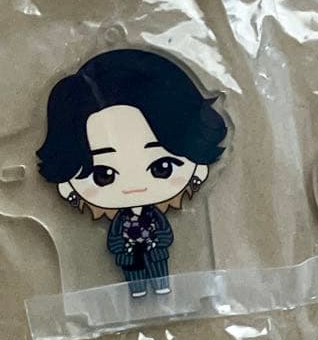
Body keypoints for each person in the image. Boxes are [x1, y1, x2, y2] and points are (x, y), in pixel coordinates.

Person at [37, 49, 227, 297]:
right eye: (104, 174)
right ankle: (137, 290)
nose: (134, 186)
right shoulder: (119, 222)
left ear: (199, 169)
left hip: (156, 253)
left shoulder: (155, 218)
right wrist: (121, 247)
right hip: (127, 257)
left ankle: (160, 285)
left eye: (162, 168)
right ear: (67, 184)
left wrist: (157, 242)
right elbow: (114, 240)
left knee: (159, 272)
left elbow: (165, 234)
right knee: (134, 275)